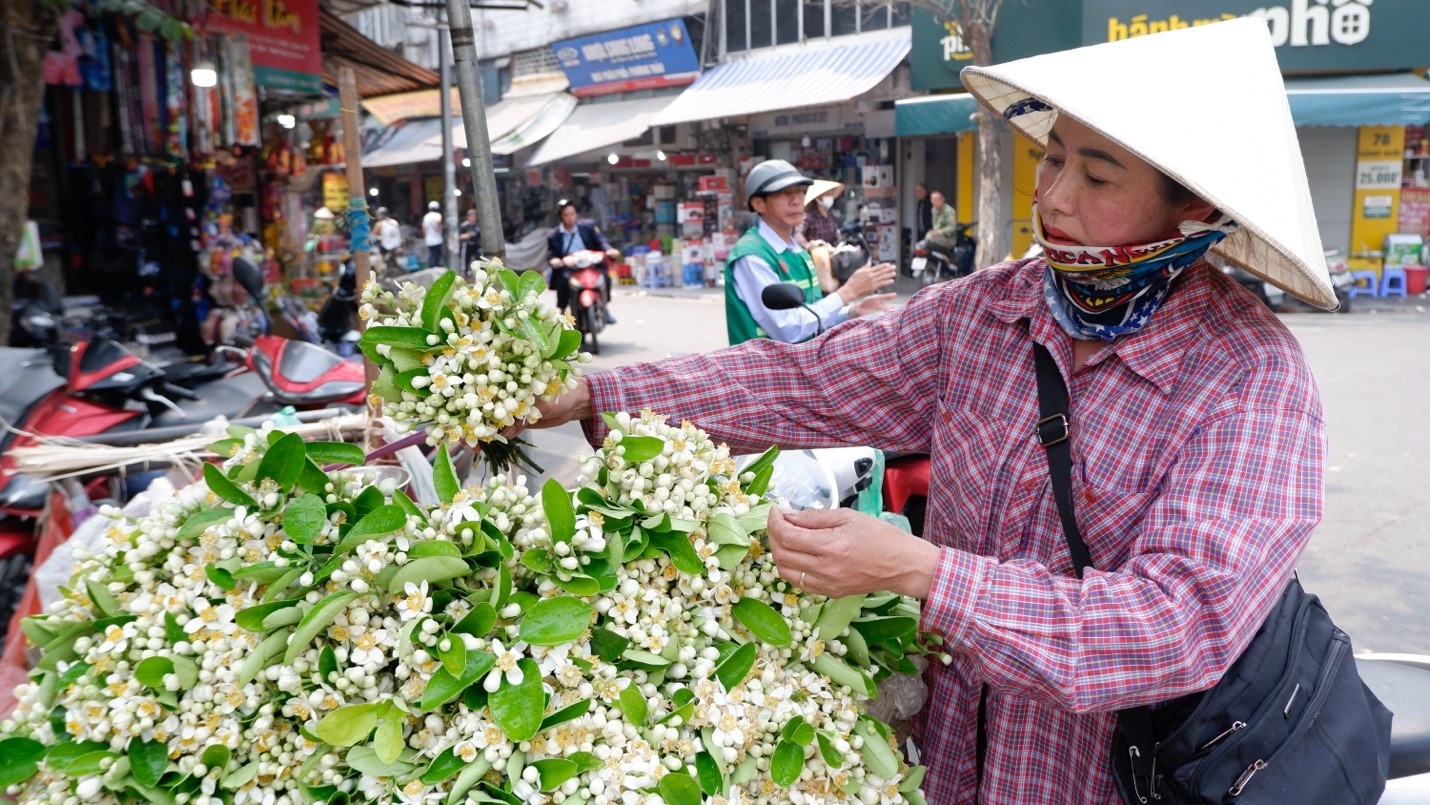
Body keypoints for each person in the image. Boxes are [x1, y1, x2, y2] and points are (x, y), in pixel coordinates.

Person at [525, 19, 1343, 802]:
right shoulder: (987, 312)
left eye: (1096, 177)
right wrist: (599, 391)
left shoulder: (1251, 379)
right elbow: (806, 381)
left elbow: (1177, 623)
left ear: (1193, 207)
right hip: (950, 766)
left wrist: (922, 572)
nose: (1053, 197)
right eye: (1052, 157)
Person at [724, 159, 895, 345]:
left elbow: (812, 316)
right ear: (758, 204)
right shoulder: (752, 256)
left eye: (799, 191)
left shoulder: (800, 253)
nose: (796, 200)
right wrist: (847, 292)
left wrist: (851, 312)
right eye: (784, 193)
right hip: (763, 371)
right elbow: (789, 329)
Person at [546, 201, 618, 324]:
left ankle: (604, 308)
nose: (570, 217)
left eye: (572, 214)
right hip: (570, 267)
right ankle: (562, 311)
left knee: (604, 277)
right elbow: (551, 254)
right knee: (563, 280)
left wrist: (609, 250)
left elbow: (601, 241)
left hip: (591, 264)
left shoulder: (588, 226)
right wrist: (555, 260)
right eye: (566, 215)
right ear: (561, 217)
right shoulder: (554, 235)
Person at [798, 179, 842, 248]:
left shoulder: (831, 217)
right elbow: (798, 233)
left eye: (831, 193)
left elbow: (836, 238)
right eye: (827, 193)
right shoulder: (808, 216)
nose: (829, 196)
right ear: (818, 197)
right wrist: (807, 245)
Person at [422, 201, 443, 268]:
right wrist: (438, 229)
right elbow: (439, 223)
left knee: (432, 254)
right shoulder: (438, 215)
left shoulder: (426, 216)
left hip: (429, 239)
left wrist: (425, 236)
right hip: (437, 239)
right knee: (437, 255)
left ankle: (431, 266)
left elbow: (424, 228)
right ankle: (434, 266)